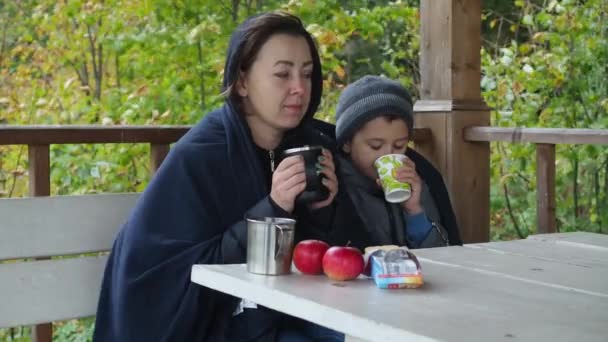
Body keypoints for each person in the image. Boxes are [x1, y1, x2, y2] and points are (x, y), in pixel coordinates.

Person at [93, 12, 343, 341]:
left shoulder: (305, 146)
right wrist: (274, 208)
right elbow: (180, 274)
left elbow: (318, 262)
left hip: (275, 313)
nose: (299, 88)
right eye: (282, 74)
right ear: (241, 82)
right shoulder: (200, 155)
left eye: (308, 75)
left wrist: (321, 207)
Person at [315, 75, 462, 252]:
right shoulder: (337, 186)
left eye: (399, 145)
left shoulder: (416, 182)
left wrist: (414, 210)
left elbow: (442, 254)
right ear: (346, 143)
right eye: (375, 146)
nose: (388, 154)